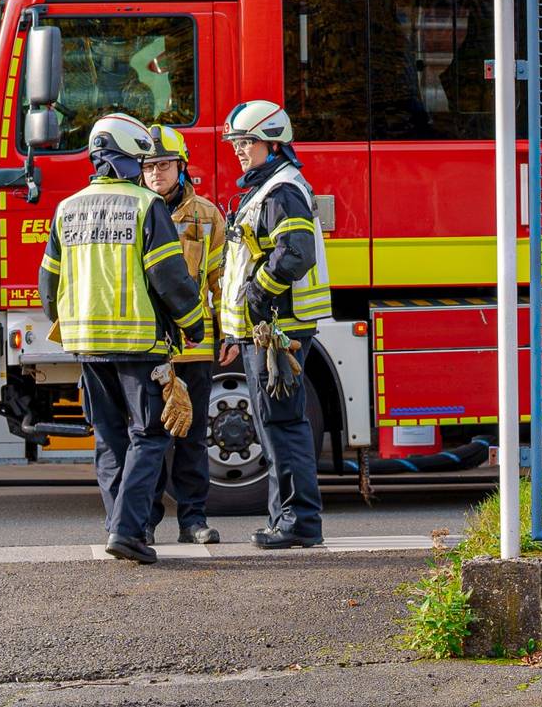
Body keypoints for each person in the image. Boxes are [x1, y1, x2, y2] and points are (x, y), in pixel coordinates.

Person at [40, 113, 206, 565]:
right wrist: (193, 324)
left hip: (88, 348)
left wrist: (69, 322)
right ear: (128, 158)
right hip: (139, 344)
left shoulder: (67, 207)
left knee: (110, 440)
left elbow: (47, 286)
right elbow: (171, 278)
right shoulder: (145, 206)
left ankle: (117, 524)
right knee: (150, 435)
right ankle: (129, 532)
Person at [218, 99, 333, 549]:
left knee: (283, 425)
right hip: (266, 329)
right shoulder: (266, 189)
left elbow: (296, 254)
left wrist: (259, 292)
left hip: (278, 329)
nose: (239, 150)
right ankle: (283, 518)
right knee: (275, 424)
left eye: (247, 142)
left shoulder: (281, 191)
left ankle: (300, 521)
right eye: (236, 142)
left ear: (273, 143)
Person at [140, 124, 227, 546]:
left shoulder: (207, 216)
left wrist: (228, 333)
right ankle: (146, 522)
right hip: (149, 346)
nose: (156, 172)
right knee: (151, 439)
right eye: (148, 165)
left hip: (194, 347)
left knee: (192, 439)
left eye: (164, 164)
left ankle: (193, 520)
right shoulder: (136, 210)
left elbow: (219, 280)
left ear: (181, 166)